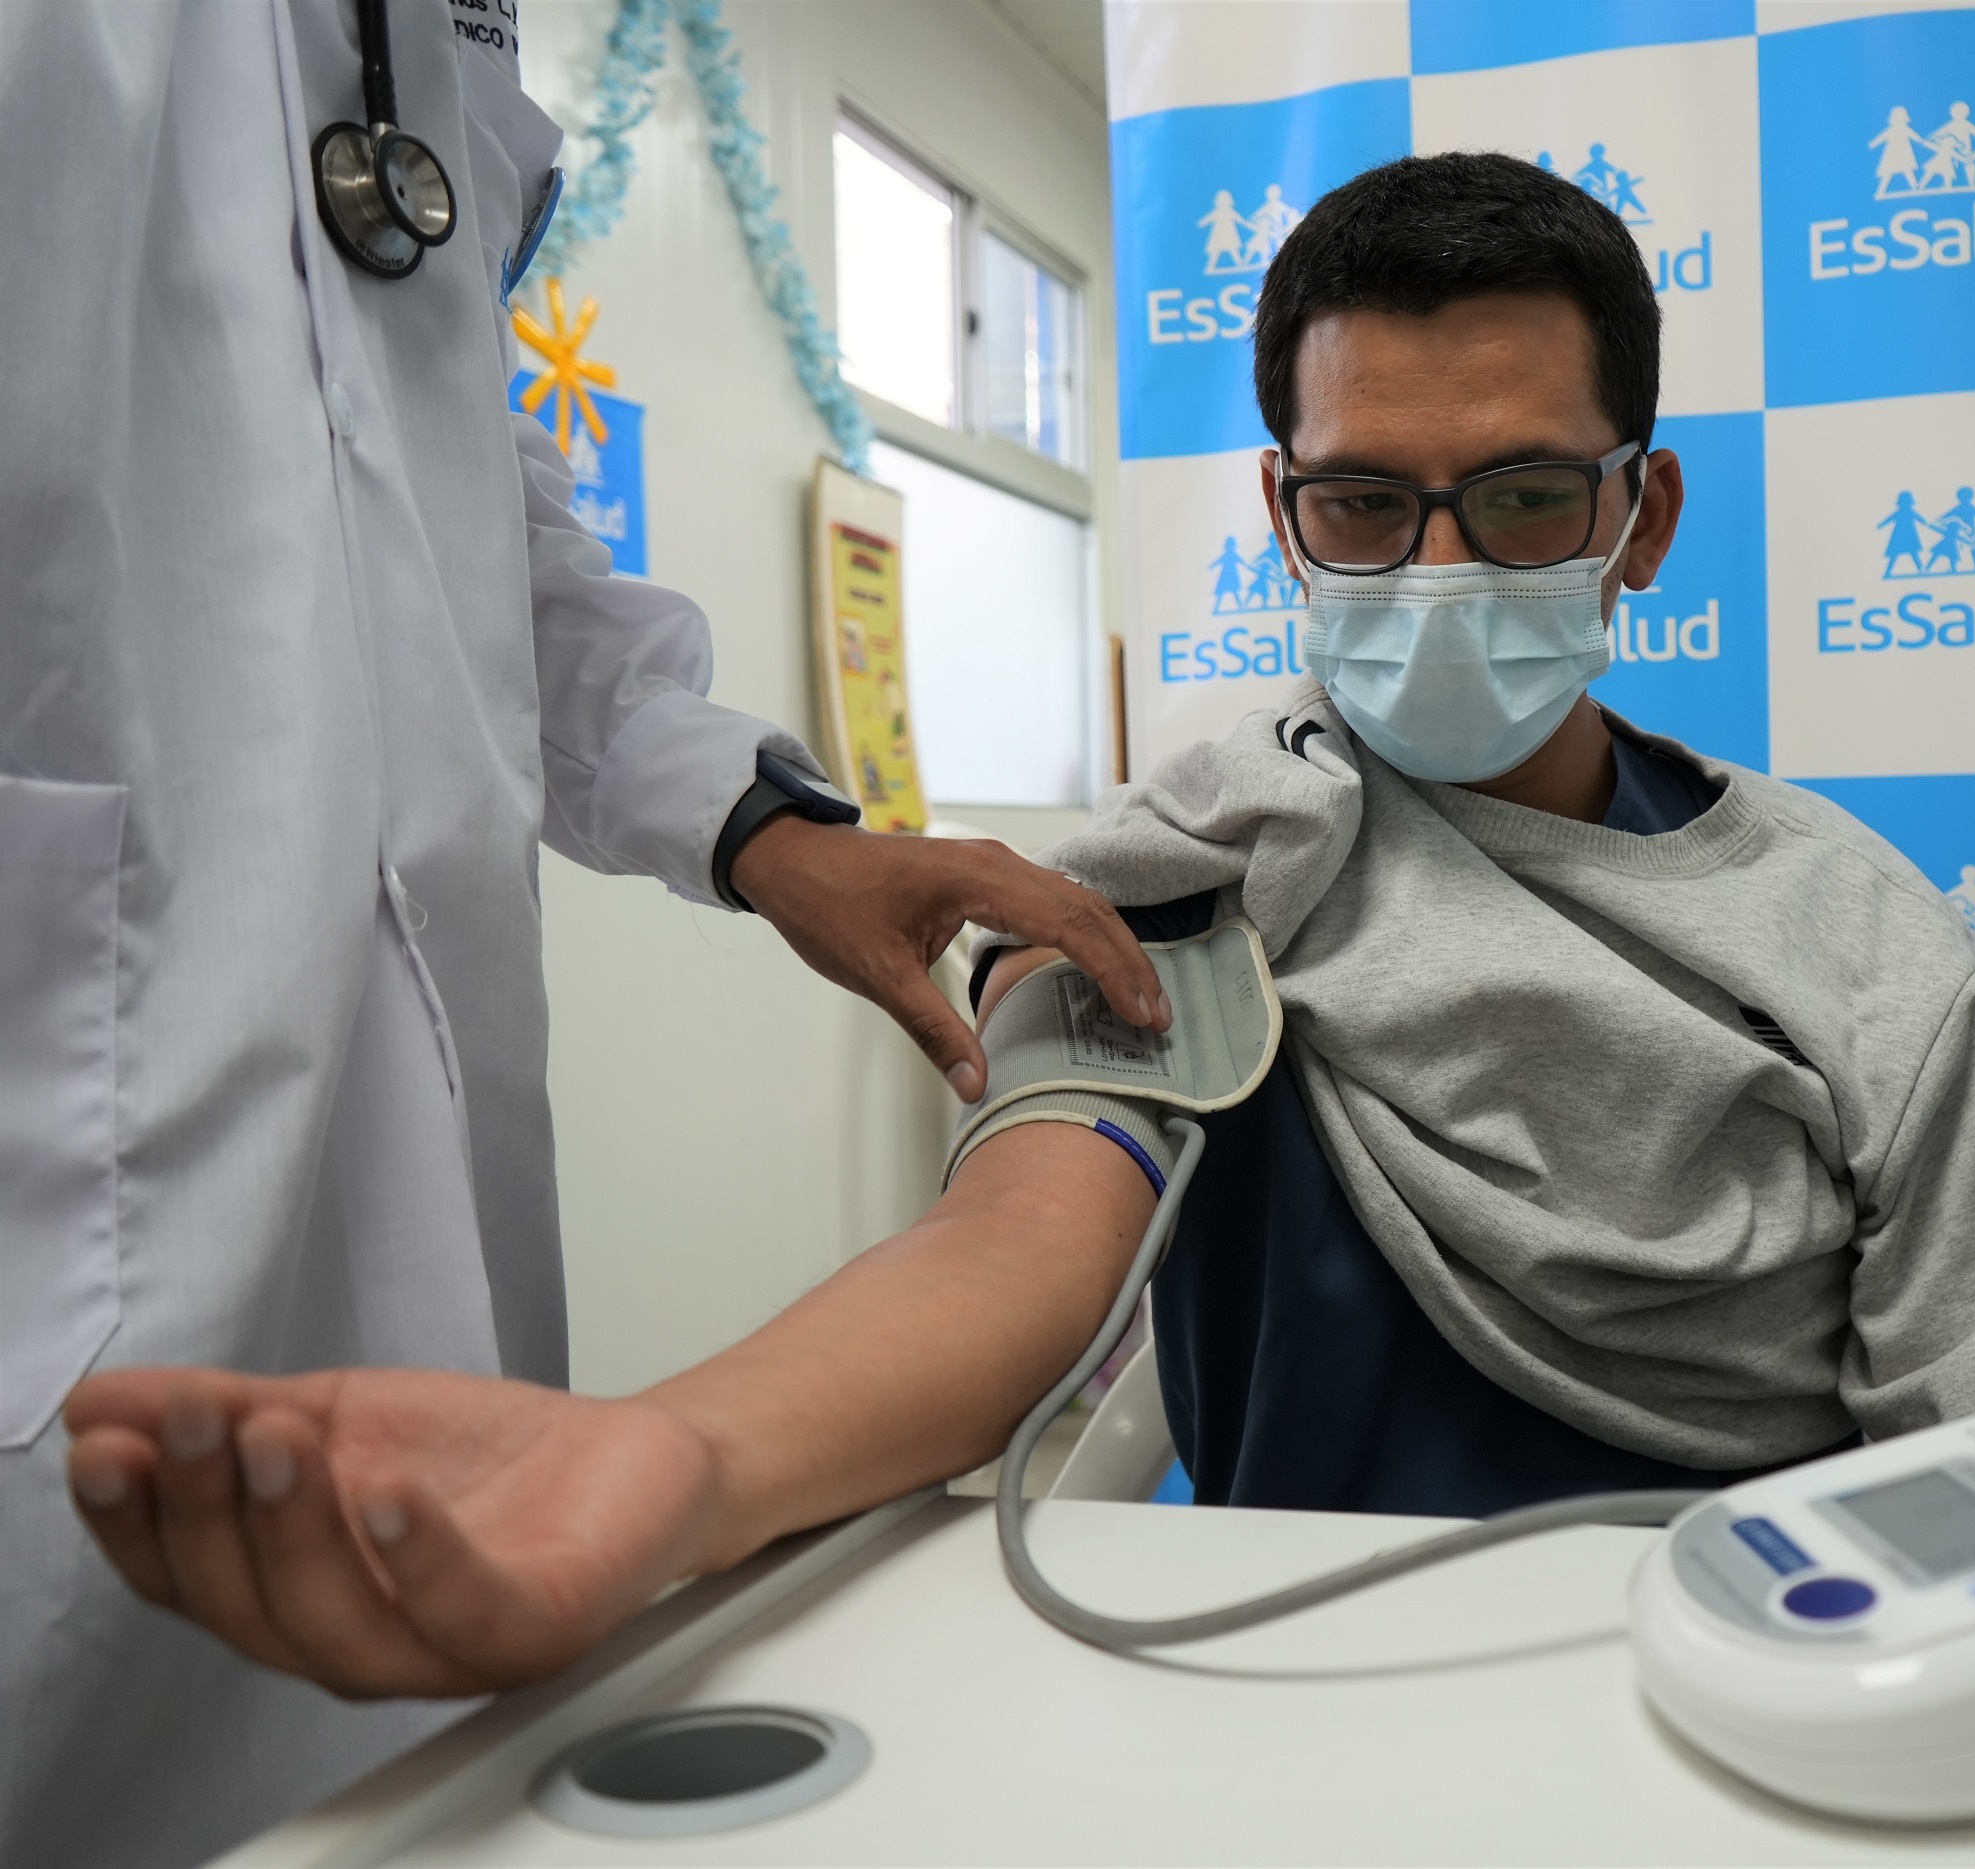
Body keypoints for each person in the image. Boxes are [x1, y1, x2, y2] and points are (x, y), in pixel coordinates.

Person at [62, 150, 1975, 1748]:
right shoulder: (1191, 875)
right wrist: (673, 1457)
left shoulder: (1860, 948)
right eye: (1360, 505)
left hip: (1775, 1701)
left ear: (1639, 518)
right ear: (1281, 510)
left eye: (1516, 499)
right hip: (1295, 1711)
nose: (1432, 568)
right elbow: (1012, 1255)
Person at [3, 10, 1162, 1867]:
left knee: (432, 1782)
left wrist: (765, 825)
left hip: (413, 1172)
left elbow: (461, 513)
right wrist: (691, 1457)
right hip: (80, 1160)